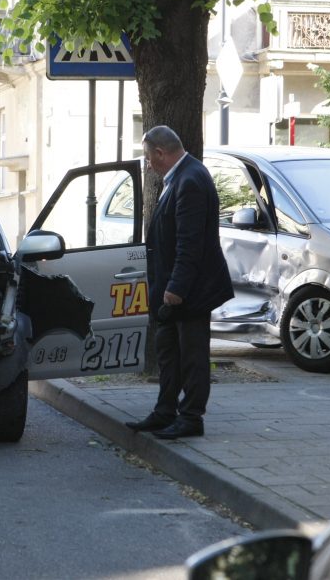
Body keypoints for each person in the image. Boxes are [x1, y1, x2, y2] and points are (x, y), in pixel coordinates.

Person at [125, 126, 234, 439]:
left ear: (160, 153)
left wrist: (175, 289)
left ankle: (191, 418)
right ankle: (165, 411)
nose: (147, 164)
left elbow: (190, 244)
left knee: (192, 356)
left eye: (148, 157)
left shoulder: (190, 181)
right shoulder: (179, 179)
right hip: (173, 289)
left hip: (189, 292)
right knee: (169, 352)